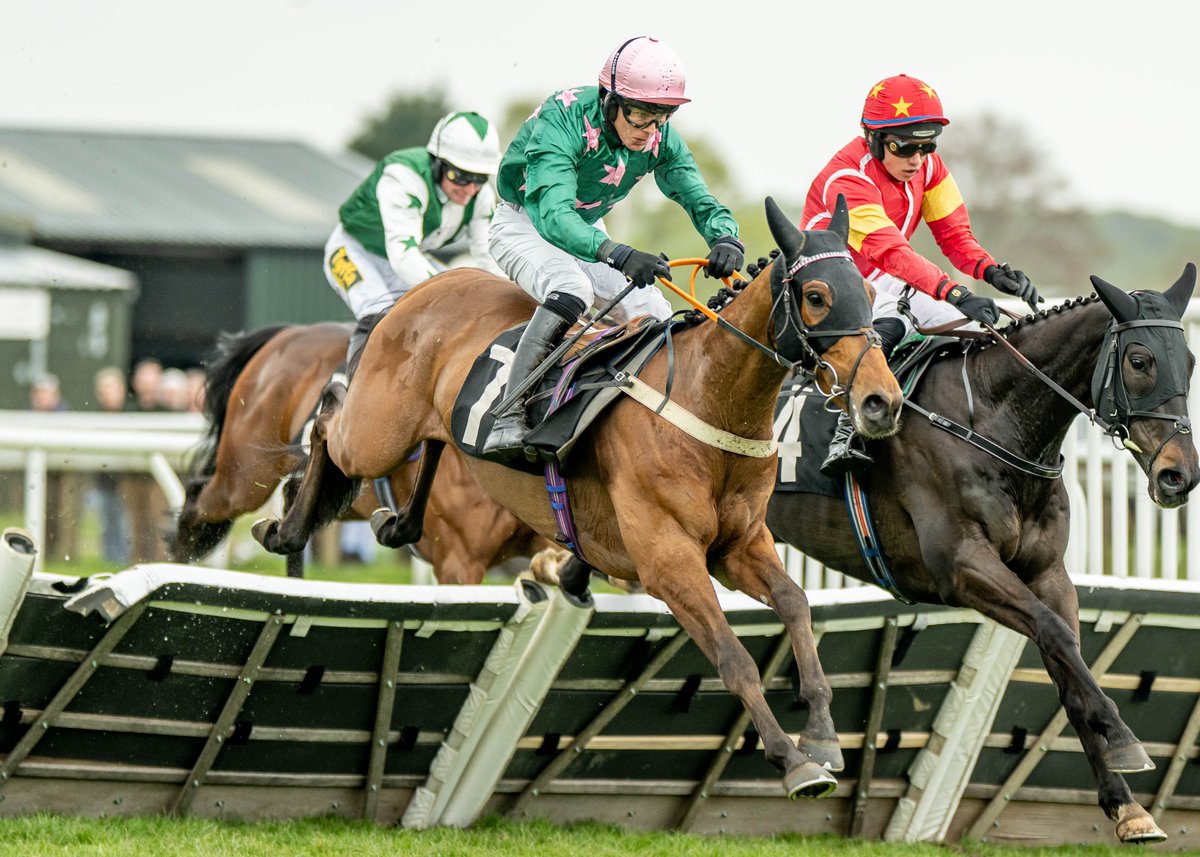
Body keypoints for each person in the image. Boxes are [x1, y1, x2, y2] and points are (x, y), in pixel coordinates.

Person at [482, 35, 744, 460]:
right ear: (609, 100)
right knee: (572, 287)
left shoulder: (658, 136)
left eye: (662, 117)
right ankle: (508, 415)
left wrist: (725, 236)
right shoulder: (563, 117)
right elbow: (552, 215)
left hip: (585, 226)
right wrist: (617, 252)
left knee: (654, 310)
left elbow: (696, 194)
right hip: (524, 222)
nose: (649, 131)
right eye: (640, 115)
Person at [802, 73, 1043, 478]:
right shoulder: (848, 180)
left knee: (974, 331)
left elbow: (955, 235)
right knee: (898, 317)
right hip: (833, 286)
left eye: (927, 145)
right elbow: (892, 253)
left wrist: (990, 270)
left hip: (885, 278)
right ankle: (848, 428)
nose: (917, 158)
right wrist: (954, 291)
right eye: (905, 147)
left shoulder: (929, 169)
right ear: (873, 138)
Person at [324, 110, 505, 365]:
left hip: (407, 257)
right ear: (437, 162)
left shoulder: (480, 197)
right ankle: (347, 390)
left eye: (479, 178)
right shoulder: (403, 176)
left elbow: (490, 259)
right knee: (380, 318)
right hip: (354, 250)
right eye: (461, 176)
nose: (470, 189)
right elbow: (403, 254)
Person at [90, 366, 131, 565]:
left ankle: (125, 560)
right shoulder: (94, 417)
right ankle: (110, 561)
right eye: (106, 389)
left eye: (113, 388)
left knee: (126, 524)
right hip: (104, 481)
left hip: (129, 481)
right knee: (108, 522)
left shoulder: (133, 415)